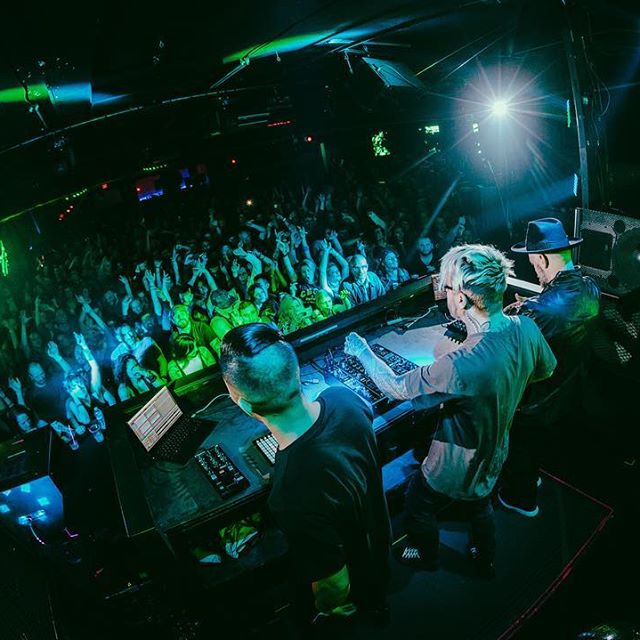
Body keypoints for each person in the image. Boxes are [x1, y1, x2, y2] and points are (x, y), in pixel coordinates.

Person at [344, 243, 557, 576]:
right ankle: (483, 557)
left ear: (461, 298)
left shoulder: (460, 364)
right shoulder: (526, 328)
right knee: (480, 503)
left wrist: (361, 351)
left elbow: (396, 387)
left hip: (452, 465)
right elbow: (546, 369)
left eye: (446, 289)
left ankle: (425, 555)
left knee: (418, 502)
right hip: (496, 450)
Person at [220, 323, 391, 626]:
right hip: (379, 541)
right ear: (297, 372)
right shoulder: (344, 399)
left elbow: (335, 583)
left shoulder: (288, 493)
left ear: (243, 405)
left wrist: (327, 606)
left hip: (356, 579)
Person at [499, 217, 601, 517]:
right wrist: (533, 303)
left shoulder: (539, 310)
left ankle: (521, 499)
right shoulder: (590, 287)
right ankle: (532, 475)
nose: (535, 270)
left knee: (520, 444)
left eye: (534, 265)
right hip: (568, 388)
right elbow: (561, 310)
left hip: (535, 401)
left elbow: (510, 352)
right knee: (537, 445)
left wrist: (522, 312)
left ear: (542, 259)